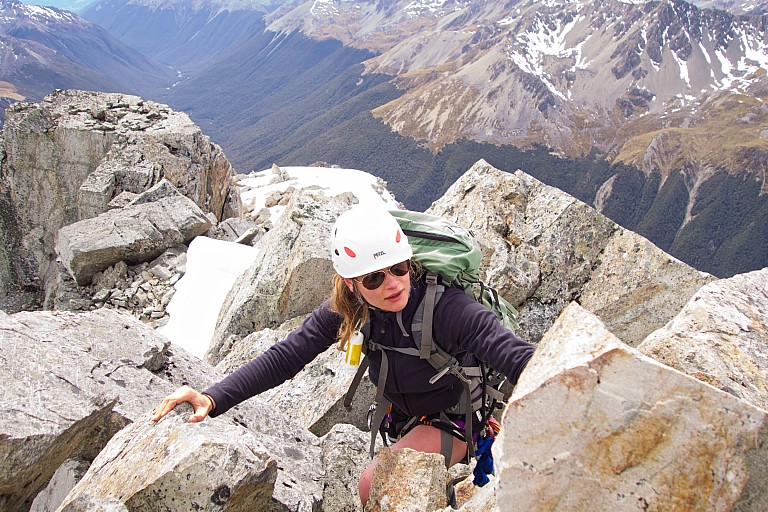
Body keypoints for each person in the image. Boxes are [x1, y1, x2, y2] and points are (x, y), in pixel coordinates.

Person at [152, 204, 535, 505]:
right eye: (374, 278)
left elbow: (506, 349)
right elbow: (287, 356)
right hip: (403, 418)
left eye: (399, 268)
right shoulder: (350, 309)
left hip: (453, 421)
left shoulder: (446, 308)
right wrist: (213, 397)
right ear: (351, 284)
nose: (394, 284)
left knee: (372, 485)